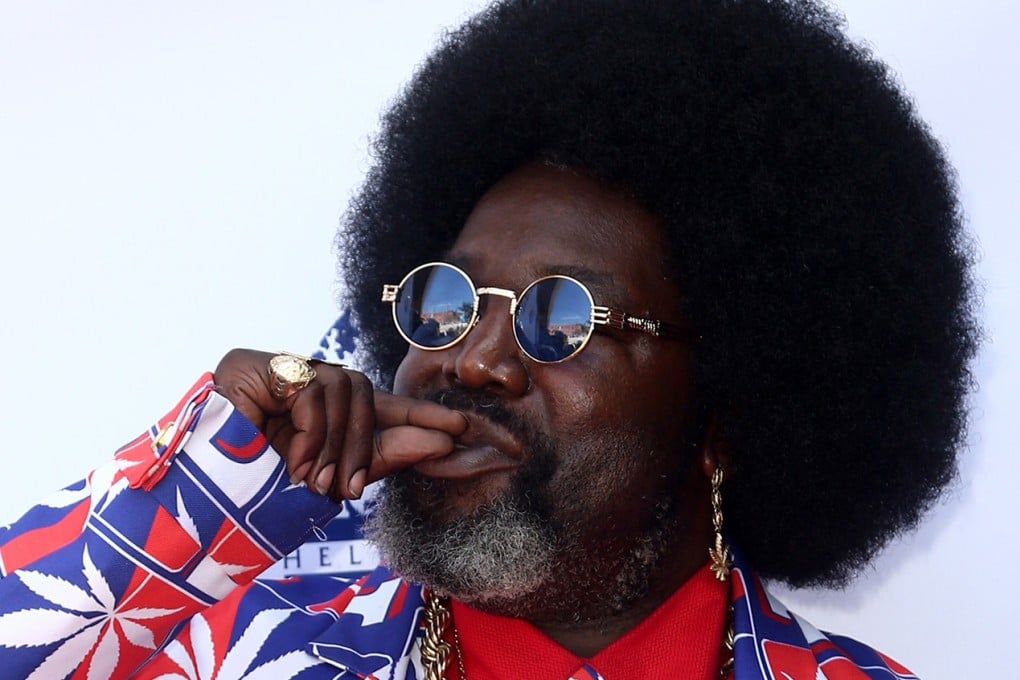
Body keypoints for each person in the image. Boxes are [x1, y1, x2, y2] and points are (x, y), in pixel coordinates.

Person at [0, 0, 978, 678]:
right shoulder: (241, 652)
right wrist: (201, 490)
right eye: (451, 299)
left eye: (560, 317)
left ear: (727, 408)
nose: (473, 358)